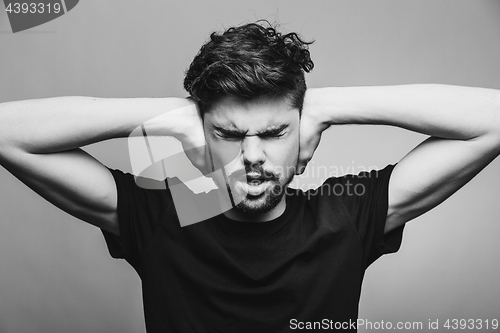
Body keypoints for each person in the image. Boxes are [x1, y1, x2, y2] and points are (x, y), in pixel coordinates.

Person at [0, 21, 499, 332]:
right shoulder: (159, 215)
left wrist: (330, 105)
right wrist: (173, 116)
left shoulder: (347, 213)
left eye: (276, 132)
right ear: (203, 134)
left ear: (302, 133)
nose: (254, 155)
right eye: (231, 134)